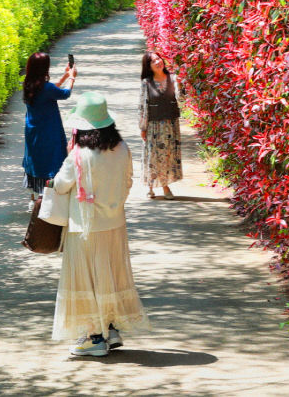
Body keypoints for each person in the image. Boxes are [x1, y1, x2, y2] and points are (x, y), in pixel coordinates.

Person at [51, 91, 150, 357]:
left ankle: (95, 338)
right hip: (115, 224)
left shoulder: (80, 155)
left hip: (85, 226)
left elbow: (61, 186)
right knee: (110, 276)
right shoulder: (123, 148)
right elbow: (128, 183)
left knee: (88, 280)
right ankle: (110, 328)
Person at [22, 52, 76, 212]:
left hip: (33, 129)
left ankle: (34, 197)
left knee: (35, 158)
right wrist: (72, 77)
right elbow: (65, 94)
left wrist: (66, 75)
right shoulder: (46, 87)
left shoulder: (29, 83)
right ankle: (52, 195)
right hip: (49, 128)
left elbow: (52, 89)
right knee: (52, 159)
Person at [139, 51, 182, 199]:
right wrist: (143, 127)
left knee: (166, 156)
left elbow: (180, 97)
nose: (158, 62)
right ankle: (161, 187)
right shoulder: (146, 83)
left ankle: (157, 185)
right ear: (149, 66)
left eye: (159, 58)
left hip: (170, 124)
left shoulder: (173, 78)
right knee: (153, 156)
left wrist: (180, 85)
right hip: (153, 126)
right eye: (153, 61)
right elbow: (143, 106)